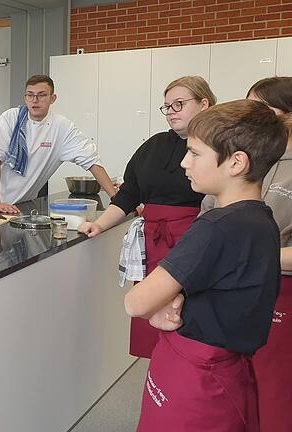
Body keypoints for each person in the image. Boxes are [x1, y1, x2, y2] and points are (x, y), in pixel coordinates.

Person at [125, 99, 287, 432]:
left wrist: (159, 303)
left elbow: (136, 301)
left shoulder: (215, 227)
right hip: (230, 373)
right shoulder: (260, 219)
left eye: (195, 153)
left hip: (197, 378)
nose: (185, 162)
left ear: (236, 163)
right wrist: (173, 298)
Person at [79, 76, 217, 359]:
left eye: (179, 104)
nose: (172, 111)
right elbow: (128, 195)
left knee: (191, 320)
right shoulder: (153, 146)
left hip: (197, 241)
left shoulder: (220, 146)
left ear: (204, 104)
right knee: (152, 318)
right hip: (153, 244)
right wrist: (100, 224)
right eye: (167, 107)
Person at [201, 76, 292, 431]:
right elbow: (208, 210)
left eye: (261, 109)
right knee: (230, 380)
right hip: (227, 287)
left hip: (279, 292)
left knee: (273, 386)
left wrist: (253, 255)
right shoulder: (245, 156)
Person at [0, 74, 116, 214]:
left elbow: (92, 160)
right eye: (30, 95)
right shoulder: (11, 118)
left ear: (52, 98)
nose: (35, 100)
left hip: (22, 206)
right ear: (25, 98)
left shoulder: (62, 128)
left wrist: (117, 201)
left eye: (41, 95)